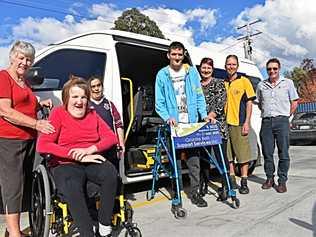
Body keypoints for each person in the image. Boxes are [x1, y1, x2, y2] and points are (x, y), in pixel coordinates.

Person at [36, 76, 118, 237]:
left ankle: (104, 223)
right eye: (75, 97)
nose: (79, 101)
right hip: (65, 163)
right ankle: (87, 233)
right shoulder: (58, 113)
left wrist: (90, 150)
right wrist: (76, 156)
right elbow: (43, 145)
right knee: (73, 186)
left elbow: (111, 137)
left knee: (110, 174)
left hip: (90, 158)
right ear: (66, 98)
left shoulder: (92, 114)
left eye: (83, 97)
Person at [0, 40, 54, 237]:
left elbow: (25, 105)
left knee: (24, 186)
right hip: (9, 140)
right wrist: (36, 124)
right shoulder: (3, 77)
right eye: (21, 57)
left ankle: (11, 230)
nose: (25, 62)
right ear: (12, 56)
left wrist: (40, 105)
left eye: (29, 59)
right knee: (12, 186)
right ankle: (14, 233)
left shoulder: (24, 82)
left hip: (28, 139)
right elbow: (5, 111)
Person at [155, 41, 208, 207]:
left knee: (194, 161)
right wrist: (166, 117)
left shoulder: (191, 72)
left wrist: (204, 115)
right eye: (174, 54)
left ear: (183, 55)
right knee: (175, 162)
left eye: (180, 54)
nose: (177, 57)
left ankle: (195, 193)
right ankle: (176, 193)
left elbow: (199, 96)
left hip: (191, 124)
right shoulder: (162, 75)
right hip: (174, 126)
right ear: (168, 55)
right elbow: (159, 102)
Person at [257, 58, 299, 193]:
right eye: (269, 69)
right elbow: (260, 103)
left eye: (275, 68)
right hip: (267, 122)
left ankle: (282, 181)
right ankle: (270, 178)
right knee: (267, 153)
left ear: (279, 69)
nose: (272, 71)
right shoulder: (261, 85)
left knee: (284, 153)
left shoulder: (288, 83)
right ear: (266, 70)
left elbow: (294, 102)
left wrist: (287, 117)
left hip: (282, 121)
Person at [224, 54, 256, 194]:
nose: (231, 67)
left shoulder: (244, 81)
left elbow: (249, 103)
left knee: (242, 156)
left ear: (237, 66)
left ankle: (244, 181)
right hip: (225, 124)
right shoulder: (223, 83)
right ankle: (232, 180)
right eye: (228, 64)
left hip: (239, 123)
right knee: (229, 155)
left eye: (233, 64)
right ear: (225, 66)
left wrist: (247, 122)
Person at [199, 57, 230, 197]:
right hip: (202, 127)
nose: (206, 70)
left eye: (208, 68)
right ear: (200, 69)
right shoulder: (196, 85)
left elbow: (221, 101)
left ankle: (226, 186)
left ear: (212, 69)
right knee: (203, 157)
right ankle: (203, 184)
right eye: (204, 68)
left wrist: (211, 116)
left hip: (217, 126)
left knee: (221, 157)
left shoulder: (219, 83)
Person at [88, 76, 125, 170]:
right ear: (89, 89)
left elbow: (118, 125)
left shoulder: (109, 104)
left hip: (111, 148)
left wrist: (121, 144)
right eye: (93, 86)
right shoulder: (86, 105)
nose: (96, 89)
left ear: (102, 87)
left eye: (98, 85)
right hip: (95, 148)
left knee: (114, 173)